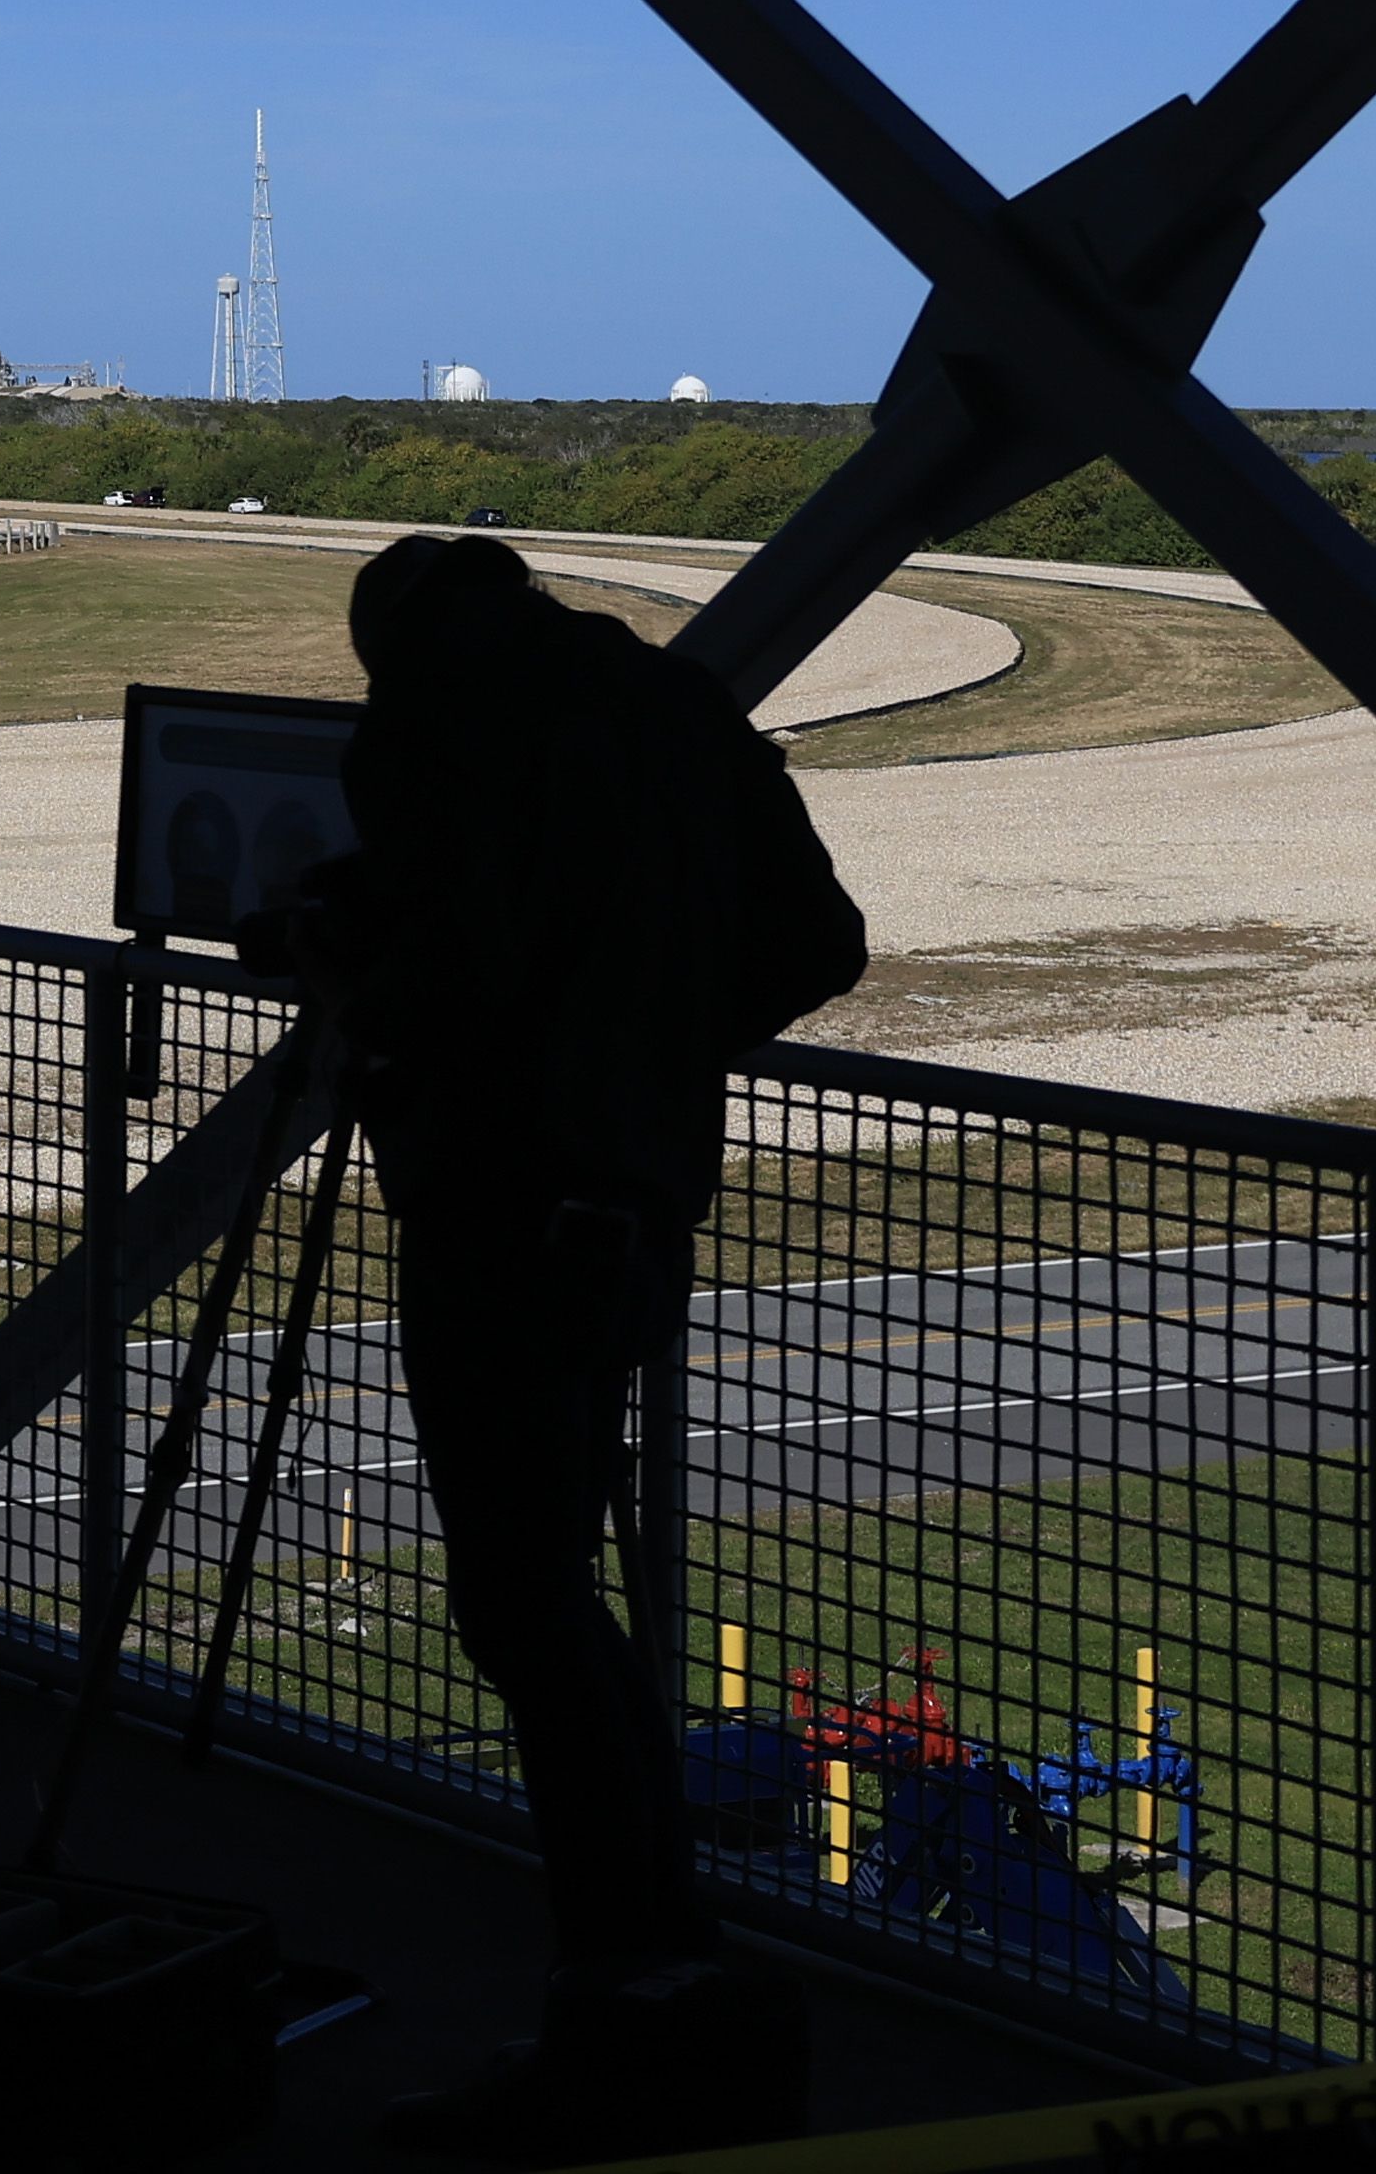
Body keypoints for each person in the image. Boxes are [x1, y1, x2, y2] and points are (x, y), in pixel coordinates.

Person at [286, 530, 861, 2168]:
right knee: (557, 1596)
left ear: (398, 641)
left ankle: (627, 1991)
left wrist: (352, 971)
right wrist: (649, 1045)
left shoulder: (431, 724)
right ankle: (659, 1966)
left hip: (494, 1207)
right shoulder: (678, 707)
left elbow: (454, 976)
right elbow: (818, 941)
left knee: (520, 1603)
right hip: (632, 1204)